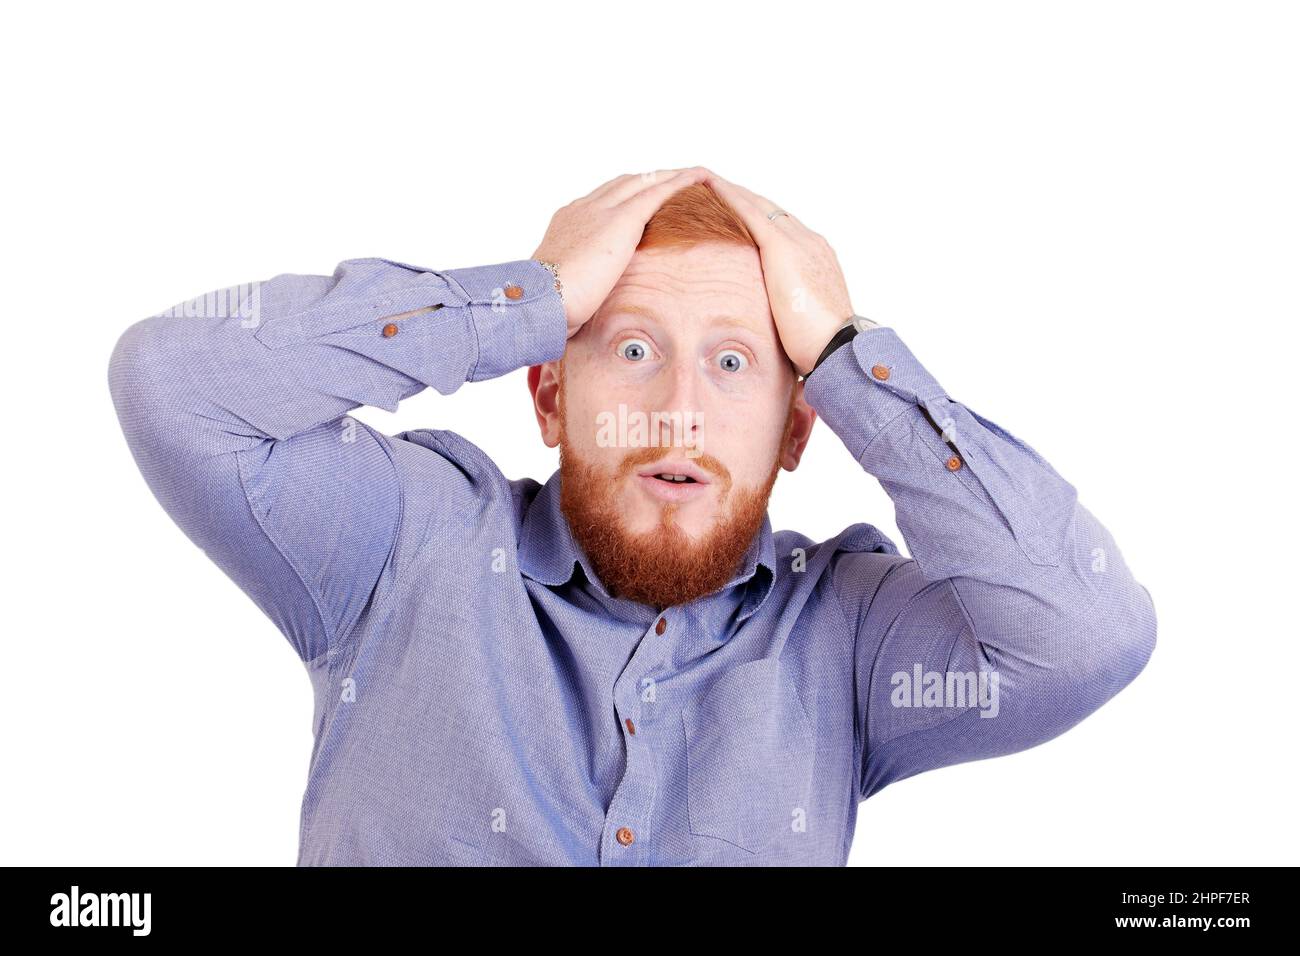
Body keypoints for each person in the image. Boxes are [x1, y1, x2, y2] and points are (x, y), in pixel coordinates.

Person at [108, 166, 1157, 866]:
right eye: (631, 348)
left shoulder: (848, 635)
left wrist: (846, 356)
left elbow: (1086, 635)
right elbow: (175, 384)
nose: (680, 409)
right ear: (551, 395)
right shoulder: (400, 539)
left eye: (735, 362)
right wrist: (528, 299)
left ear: (798, 432)